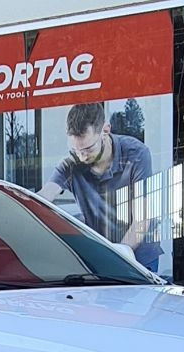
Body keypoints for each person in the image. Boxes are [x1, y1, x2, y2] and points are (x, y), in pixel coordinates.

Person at [38, 103, 162, 271]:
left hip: (139, 258)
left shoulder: (136, 154)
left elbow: (143, 217)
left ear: (105, 130)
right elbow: (44, 197)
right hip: (100, 257)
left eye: (88, 149)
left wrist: (119, 256)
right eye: (75, 150)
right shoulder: (71, 163)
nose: (82, 157)